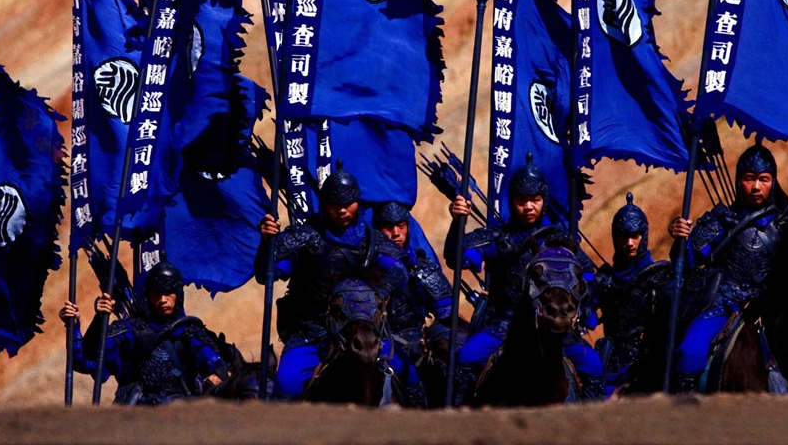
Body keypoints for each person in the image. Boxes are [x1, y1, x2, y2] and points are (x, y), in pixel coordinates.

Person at [444, 157, 605, 404]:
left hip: (555, 326)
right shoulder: (497, 238)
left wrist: (583, 309)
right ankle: (461, 421)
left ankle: (593, 425)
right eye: (522, 200)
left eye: (535, 200)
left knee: (592, 364)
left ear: (544, 201)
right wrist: (458, 222)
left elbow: (585, 276)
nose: (528, 206)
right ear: (512, 200)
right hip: (504, 326)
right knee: (467, 357)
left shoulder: (559, 240)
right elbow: (458, 258)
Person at [255, 163, 408, 400]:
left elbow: (398, 270)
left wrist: (377, 292)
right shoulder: (304, 238)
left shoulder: (372, 241)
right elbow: (269, 273)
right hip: (312, 333)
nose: (342, 210)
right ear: (324, 204)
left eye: (348, 204)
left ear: (358, 203)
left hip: (365, 331)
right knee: (287, 383)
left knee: (409, 375)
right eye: (335, 205)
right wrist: (267, 243)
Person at [666, 143, 788, 392]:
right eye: (749, 178)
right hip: (722, 308)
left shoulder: (787, 224)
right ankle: (683, 419)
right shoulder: (722, 219)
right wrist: (681, 239)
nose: (756, 187)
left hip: (769, 312)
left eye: (763, 179)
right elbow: (689, 261)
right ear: (738, 181)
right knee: (689, 352)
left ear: (773, 182)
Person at [59, 260, 227, 405]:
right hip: (135, 416)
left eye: (168, 293)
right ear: (148, 295)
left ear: (178, 295)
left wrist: (215, 377)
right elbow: (86, 360)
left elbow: (218, 365)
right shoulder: (128, 331)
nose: (162, 300)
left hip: (180, 417)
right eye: (157, 293)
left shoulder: (191, 333)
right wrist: (80, 324)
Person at [372, 201, 453, 407]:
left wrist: (437, 339)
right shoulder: (364, 267)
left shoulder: (420, 266)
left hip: (414, 344)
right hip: (371, 343)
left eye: (401, 226)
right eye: (388, 228)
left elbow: (447, 312)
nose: (395, 233)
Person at [592, 192, 669, 396]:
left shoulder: (659, 278)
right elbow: (585, 314)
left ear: (643, 235)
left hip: (649, 361)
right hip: (611, 361)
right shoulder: (605, 279)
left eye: (634, 236)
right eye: (623, 236)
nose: (629, 242)